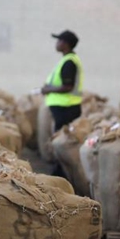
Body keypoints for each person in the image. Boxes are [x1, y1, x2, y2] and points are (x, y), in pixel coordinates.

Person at [40, 29, 84, 176]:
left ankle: (61, 173)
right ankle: (60, 170)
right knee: (60, 141)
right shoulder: (67, 60)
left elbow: (67, 86)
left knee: (61, 142)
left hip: (66, 108)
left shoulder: (69, 62)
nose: (56, 43)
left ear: (66, 44)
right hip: (65, 107)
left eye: (59, 40)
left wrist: (48, 89)